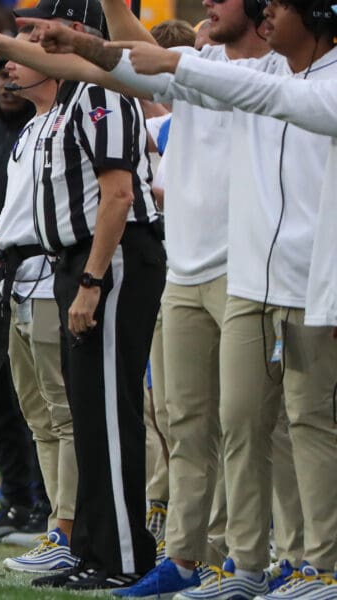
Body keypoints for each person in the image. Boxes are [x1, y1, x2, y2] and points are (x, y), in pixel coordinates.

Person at [0, 1, 335, 596]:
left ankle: (302, 558)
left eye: (230, 2)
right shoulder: (232, 72)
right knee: (199, 422)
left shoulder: (268, 78)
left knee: (288, 424)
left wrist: (159, 55)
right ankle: (210, 559)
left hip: (270, 274)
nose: (207, 6)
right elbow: (116, 66)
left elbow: (134, 65)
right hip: (204, 271)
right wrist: (10, 44)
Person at [87, 23, 337, 599]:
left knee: (303, 426)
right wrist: (63, 46)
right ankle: (242, 566)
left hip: (300, 284)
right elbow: (119, 65)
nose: (266, 16)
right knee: (231, 423)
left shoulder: (268, 77)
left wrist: (171, 62)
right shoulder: (245, 75)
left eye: (273, 6)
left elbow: (264, 94)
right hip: (244, 278)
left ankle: (312, 564)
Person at [0, 0, 165, 588]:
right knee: (89, 417)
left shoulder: (102, 95)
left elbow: (118, 197)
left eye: (47, 31)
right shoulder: (67, 102)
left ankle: (121, 557)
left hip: (111, 257)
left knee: (108, 416)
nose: (35, 42)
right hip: (79, 260)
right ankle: (93, 550)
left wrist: (92, 280)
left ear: (78, 36)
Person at [0, 31, 78, 575]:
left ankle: (69, 526)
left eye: (23, 61)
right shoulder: (32, 127)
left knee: (62, 415)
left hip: (51, 277)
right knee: (38, 417)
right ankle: (54, 526)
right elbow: (19, 204)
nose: (11, 71)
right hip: (15, 280)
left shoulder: (71, 120)